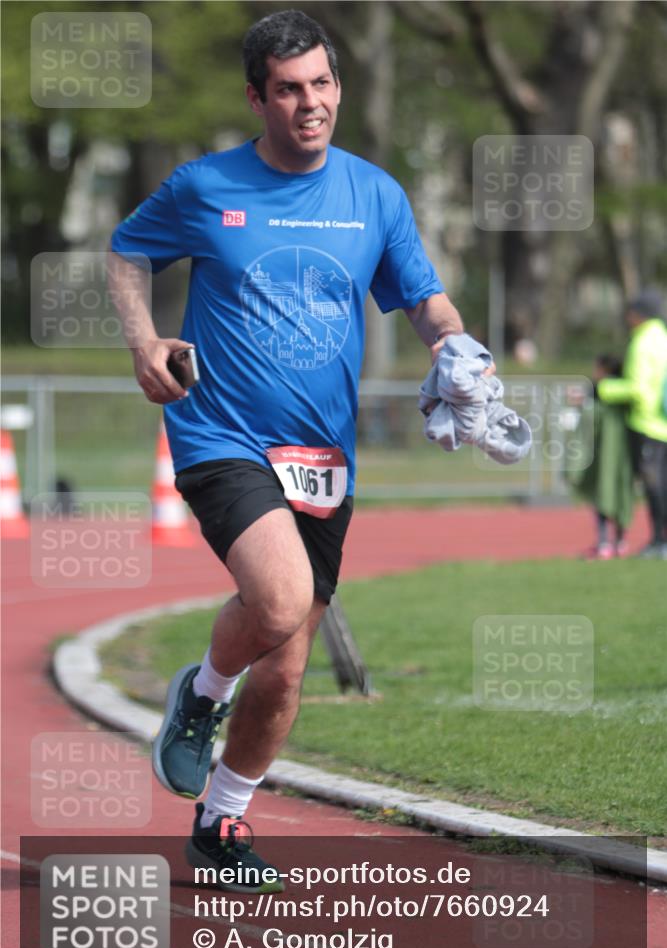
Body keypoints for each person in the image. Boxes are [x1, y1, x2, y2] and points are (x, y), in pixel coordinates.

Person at [108, 9, 490, 892]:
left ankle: (219, 821)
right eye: (289, 89)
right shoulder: (205, 186)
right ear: (257, 97)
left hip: (323, 455)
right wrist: (143, 341)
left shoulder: (374, 195)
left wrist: (455, 347)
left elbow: (423, 298)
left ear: (337, 86)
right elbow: (128, 252)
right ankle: (200, 694)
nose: (309, 102)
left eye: (321, 83)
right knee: (276, 601)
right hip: (222, 434)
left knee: (283, 671)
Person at [597, 291, 667, 558]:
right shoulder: (662, 337)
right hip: (664, 420)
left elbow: (637, 389)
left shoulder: (643, 342)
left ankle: (660, 541)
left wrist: (602, 388)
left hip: (647, 422)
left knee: (654, 485)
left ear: (639, 314)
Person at [567, 355, 635, 559]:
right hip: (624, 457)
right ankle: (620, 542)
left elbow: (588, 422)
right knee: (621, 495)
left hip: (606, 457)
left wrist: (580, 404)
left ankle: (605, 543)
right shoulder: (627, 394)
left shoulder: (601, 393)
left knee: (603, 495)